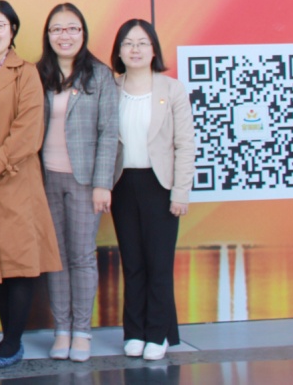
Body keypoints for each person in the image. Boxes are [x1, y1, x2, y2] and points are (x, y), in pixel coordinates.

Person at [0, 0, 61, 369]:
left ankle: (14, 343)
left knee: (17, 264)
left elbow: (28, 131)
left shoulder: (25, 73)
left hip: (14, 182)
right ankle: (5, 339)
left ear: (12, 30)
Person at [36, 3, 119, 362]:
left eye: (72, 28)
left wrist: (103, 183)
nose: (64, 36)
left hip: (86, 181)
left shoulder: (99, 75)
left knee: (82, 256)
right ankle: (62, 330)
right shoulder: (39, 74)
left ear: (83, 33)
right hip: (46, 178)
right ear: (48, 35)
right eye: (57, 29)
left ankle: (82, 332)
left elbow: (109, 132)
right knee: (56, 257)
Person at [111, 19, 196, 362]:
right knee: (132, 263)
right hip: (122, 184)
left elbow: (185, 144)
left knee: (158, 264)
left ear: (154, 49)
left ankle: (158, 334)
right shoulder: (110, 87)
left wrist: (181, 192)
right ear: (119, 51)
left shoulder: (172, 89)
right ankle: (134, 332)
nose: (135, 49)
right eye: (128, 43)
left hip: (160, 185)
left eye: (142, 43)